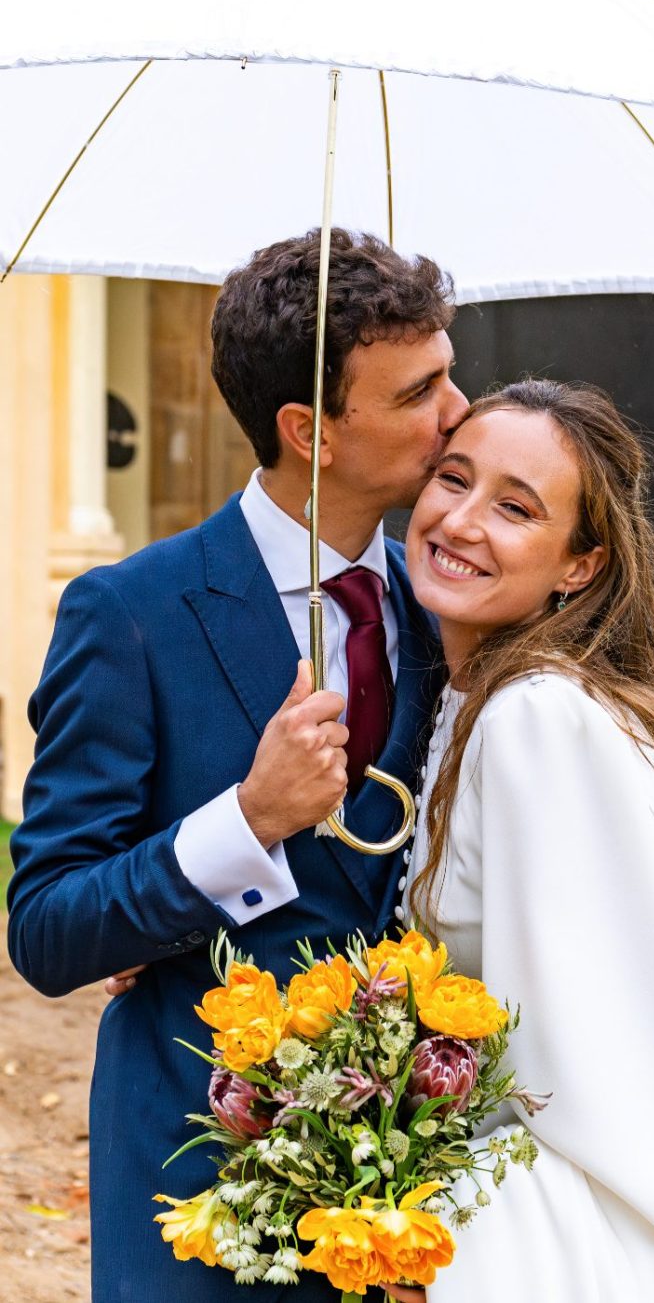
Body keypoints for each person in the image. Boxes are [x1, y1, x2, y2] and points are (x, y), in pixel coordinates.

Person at [6, 228, 467, 1303]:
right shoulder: (129, 612)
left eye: (452, 373)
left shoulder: (452, 609)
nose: (461, 412)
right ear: (311, 429)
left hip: (420, 1199)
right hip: (203, 1184)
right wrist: (245, 822)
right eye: (421, 391)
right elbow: (48, 927)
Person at [396, 378, 654, 1302]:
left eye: (515, 507)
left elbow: (582, 1060)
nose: (460, 519)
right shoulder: (483, 699)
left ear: (581, 565)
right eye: (453, 478)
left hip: (567, 1243)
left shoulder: (539, 720)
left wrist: (450, 1236)